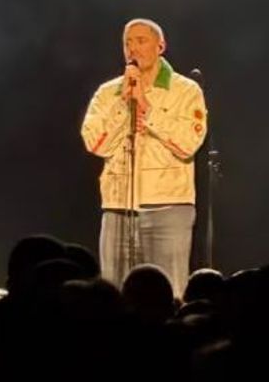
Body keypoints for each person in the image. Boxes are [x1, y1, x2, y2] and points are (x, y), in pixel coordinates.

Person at [80, 18, 207, 298]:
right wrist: (124, 105)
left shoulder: (185, 91)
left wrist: (147, 110)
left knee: (169, 292)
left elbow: (187, 144)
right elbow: (95, 143)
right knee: (113, 294)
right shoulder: (108, 93)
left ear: (160, 46)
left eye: (141, 41)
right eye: (127, 42)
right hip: (117, 207)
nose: (132, 49)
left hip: (168, 207)